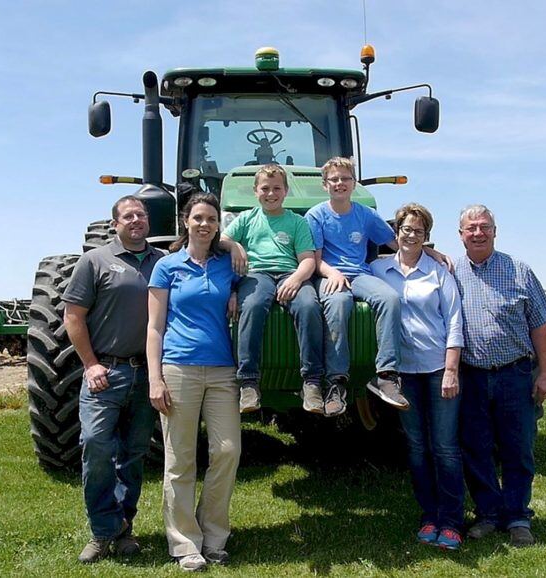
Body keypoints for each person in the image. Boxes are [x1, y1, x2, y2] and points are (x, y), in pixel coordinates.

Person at [62, 195, 163, 564]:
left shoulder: (163, 262)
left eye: (141, 214)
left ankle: (123, 529)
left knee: (133, 455)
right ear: (115, 223)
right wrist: (90, 364)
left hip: (148, 373)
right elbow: (73, 316)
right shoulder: (95, 261)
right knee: (97, 447)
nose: (136, 220)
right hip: (107, 372)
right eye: (128, 216)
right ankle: (102, 530)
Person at [146, 193, 242, 572]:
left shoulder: (227, 264)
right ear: (186, 221)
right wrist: (155, 378)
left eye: (212, 219)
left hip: (222, 371)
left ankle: (215, 533)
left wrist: (236, 289)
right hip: (178, 369)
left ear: (219, 225)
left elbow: (254, 276)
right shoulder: (167, 267)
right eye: (198, 218)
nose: (204, 224)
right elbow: (154, 327)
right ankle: (185, 543)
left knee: (228, 451)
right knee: (180, 459)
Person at [454, 204, 546, 548]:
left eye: (484, 227)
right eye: (472, 228)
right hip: (472, 376)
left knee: (518, 447)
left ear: (495, 231)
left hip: (515, 374)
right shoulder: (451, 272)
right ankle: (487, 515)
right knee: (476, 448)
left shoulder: (519, 271)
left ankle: (517, 517)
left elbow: (541, 325)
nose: (478, 233)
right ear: (461, 234)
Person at [371, 203, 465, 550]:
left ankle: (453, 522)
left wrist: (452, 370)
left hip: (439, 368)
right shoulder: (379, 270)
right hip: (403, 374)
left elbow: (454, 320)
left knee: (444, 447)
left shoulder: (439, 272)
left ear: (427, 237)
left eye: (419, 231)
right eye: (406, 229)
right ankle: (429, 517)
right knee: (416, 448)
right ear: (396, 232)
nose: (411, 235)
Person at [305, 156, 407, 416]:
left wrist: (431, 255)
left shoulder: (365, 214)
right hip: (328, 275)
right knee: (338, 305)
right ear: (325, 184)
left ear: (354, 183)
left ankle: (386, 375)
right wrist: (332, 273)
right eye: (334, 179)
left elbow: (397, 244)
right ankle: (336, 383)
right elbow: (314, 260)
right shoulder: (316, 215)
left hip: (360, 275)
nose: (340, 183)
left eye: (345, 179)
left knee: (390, 299)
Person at [222, 164, 324, 414]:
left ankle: (311, 382)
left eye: (276, 188)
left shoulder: (297, 222)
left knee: (309, 306)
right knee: (253, 305)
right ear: (255, 191)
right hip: (257, 274)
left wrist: (297, 279)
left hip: (291, 273)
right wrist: (234, 246)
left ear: (286, 191)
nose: (271, 193)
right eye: (265, 188)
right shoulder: (246, 218)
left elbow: (308, 259)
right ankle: (248, 381)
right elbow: (222, 239)